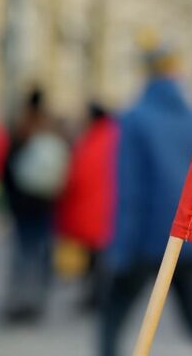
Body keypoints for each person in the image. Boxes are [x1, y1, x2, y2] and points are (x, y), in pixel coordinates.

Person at [99, 43, 192, 356]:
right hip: (184, 243)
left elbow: (130, 191)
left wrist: (119, 251)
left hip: (143, 243)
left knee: (112, 321)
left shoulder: (134, 119)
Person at [2, 87, 68, 322]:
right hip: (44, 204)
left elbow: (7, 169)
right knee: (40, 255)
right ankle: (36, 302)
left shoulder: (21, 129)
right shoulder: (49, 129)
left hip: (22, 205)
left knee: (22, 255)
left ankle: (18, 302)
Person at [56, 103, 118, 311]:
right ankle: (99, 295)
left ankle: (96, 296)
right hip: (109, 211)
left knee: (95, 258)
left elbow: (76, 176)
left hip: (91, 210)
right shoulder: (116, 139)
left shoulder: (89, 141)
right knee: (101, 257)